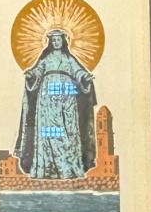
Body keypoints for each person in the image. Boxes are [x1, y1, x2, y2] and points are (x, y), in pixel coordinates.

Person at [14, 28, 97, 178]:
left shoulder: (68, 59)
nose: (57, 42)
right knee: (50, 129)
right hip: (47, 97)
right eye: (54, 40)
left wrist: (86, 77)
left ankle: (68, 167)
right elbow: (37, 71)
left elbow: (78, 71)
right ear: (50, 42)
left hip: (67, 95)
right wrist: (30, 74)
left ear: (63, 41)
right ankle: (48, 168)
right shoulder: (46, 59)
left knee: (68, 128)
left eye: (59, 40)